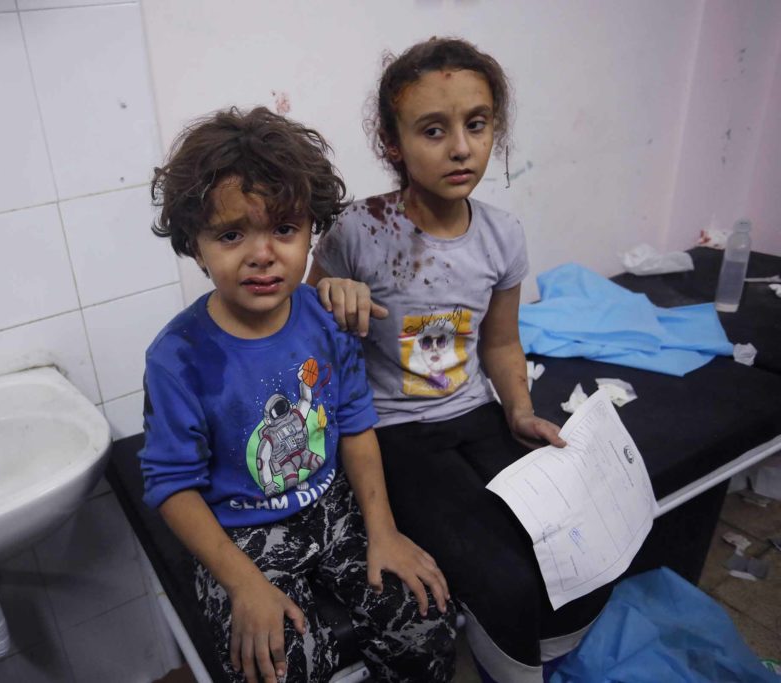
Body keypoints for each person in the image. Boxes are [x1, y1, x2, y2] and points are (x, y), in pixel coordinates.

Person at [308, 38, 610, 683]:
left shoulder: (502, 234)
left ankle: (544, 654)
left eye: (476, 124)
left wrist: (521, 412)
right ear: (393, 143)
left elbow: (500, 342)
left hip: (475, 412)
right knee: (498, 577)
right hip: (392, 431)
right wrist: (327, 295)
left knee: (575, 549)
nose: (461, 147)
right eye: (433, 130)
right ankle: (507, 669)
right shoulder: (357, 231)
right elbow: (303, 342)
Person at [141, 106, 457, 683]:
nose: (262, 254)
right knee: (277, 667)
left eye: (284, 230)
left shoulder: (328, 320)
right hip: (241, 533)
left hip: (334, 508)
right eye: (232, 234)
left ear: (313, 231)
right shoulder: (177, 357)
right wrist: (243, 584)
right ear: (195, 242)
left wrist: (383, 533)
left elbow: (357, 426)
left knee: (425, 618)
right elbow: (171, 486)